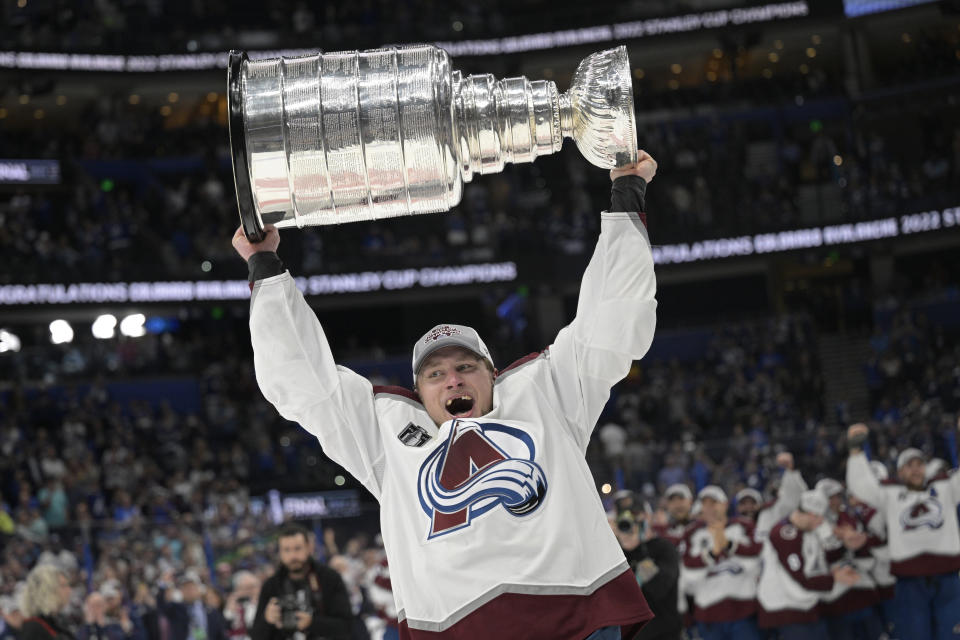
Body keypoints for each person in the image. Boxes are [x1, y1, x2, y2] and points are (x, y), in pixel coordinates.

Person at [234, 151, 659, 639]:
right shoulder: (387, 440)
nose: (453, 380)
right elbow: (305, 383)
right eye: (435, 374)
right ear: (418, 393)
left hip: (577, 622)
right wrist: (264, 264)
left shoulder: (548, 394)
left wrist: (627, 193)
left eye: (464, 367)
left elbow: (611, 320)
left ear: (492, 374)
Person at [845, 422, 960, 640]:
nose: (915, 468)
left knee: (951, 636)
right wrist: (856, 450)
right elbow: (861, 485)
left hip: (948, 579)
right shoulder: (890, 493)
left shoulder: (946, 487)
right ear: (899, 471)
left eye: (919, 464)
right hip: (909, 582)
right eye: (909, 465)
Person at [756, 490, 860, 639]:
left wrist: (844, 543)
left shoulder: (808, 530)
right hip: (785, 609)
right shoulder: (784, 534)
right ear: (810, 514)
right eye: (818, 518)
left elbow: (823, 558)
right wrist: (834, 578)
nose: (820, 522)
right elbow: (801, 578)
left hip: (805, 608)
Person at [680, 486, 762, 640]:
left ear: (725, 504)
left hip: (744, 610)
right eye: (705, 504)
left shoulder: (744, 526)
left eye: (714, 503)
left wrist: (729, 545)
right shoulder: (692, 533)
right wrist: (712, 554)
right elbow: (687, 566)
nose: (710, 508)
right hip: (708, 614)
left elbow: (757, 554)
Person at [250, 523, 352, 640]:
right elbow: (256, 635)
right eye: (286, 550)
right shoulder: (271, 586)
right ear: (280, 553)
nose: (293, 556)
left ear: (309, 548)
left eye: (297, 548)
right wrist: (267, 619)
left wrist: (312, 623)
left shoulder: (329, 578)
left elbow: (346, 626)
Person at [609, 492, 681, 640]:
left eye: (635, 515)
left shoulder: (663, 547)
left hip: (665, 634)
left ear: (647, 517)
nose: (629, 523)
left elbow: (659, 589)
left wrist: (639, 551)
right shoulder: (615, 553)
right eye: (622, 516)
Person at [156, 570, 227, 640]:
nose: (189, 591)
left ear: (198, 589)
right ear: (181, 591)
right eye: (186, 588)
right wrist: (163, 584)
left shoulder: (210, 610)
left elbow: (220, 634)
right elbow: (161, 605)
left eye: (192, 587)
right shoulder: (176, 609)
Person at [18, 564, 75, 640]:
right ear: (46, 591)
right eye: (63, 585)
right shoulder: (33, 628)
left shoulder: (59, 621)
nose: (69, 590)